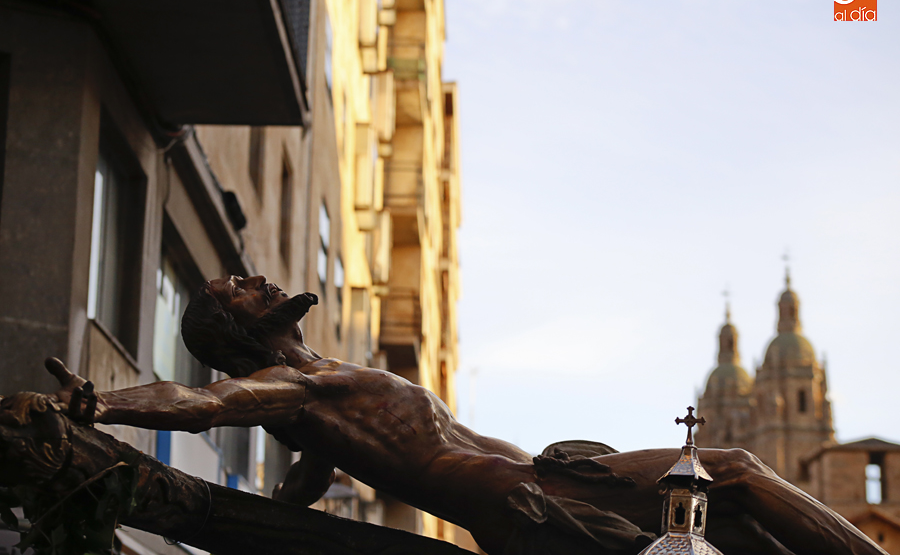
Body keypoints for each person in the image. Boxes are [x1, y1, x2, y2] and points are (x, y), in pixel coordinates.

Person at [30, 276, 887, 555]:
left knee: (719, 511)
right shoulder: (290, 389)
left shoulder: (315, 395)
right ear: (239, 327)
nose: (257, 277)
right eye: (240, 287)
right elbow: (200, 404)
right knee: (728, 470)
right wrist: (100, 402)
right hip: (520, 500)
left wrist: (252, 529)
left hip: (544, 473)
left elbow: (301, 492)